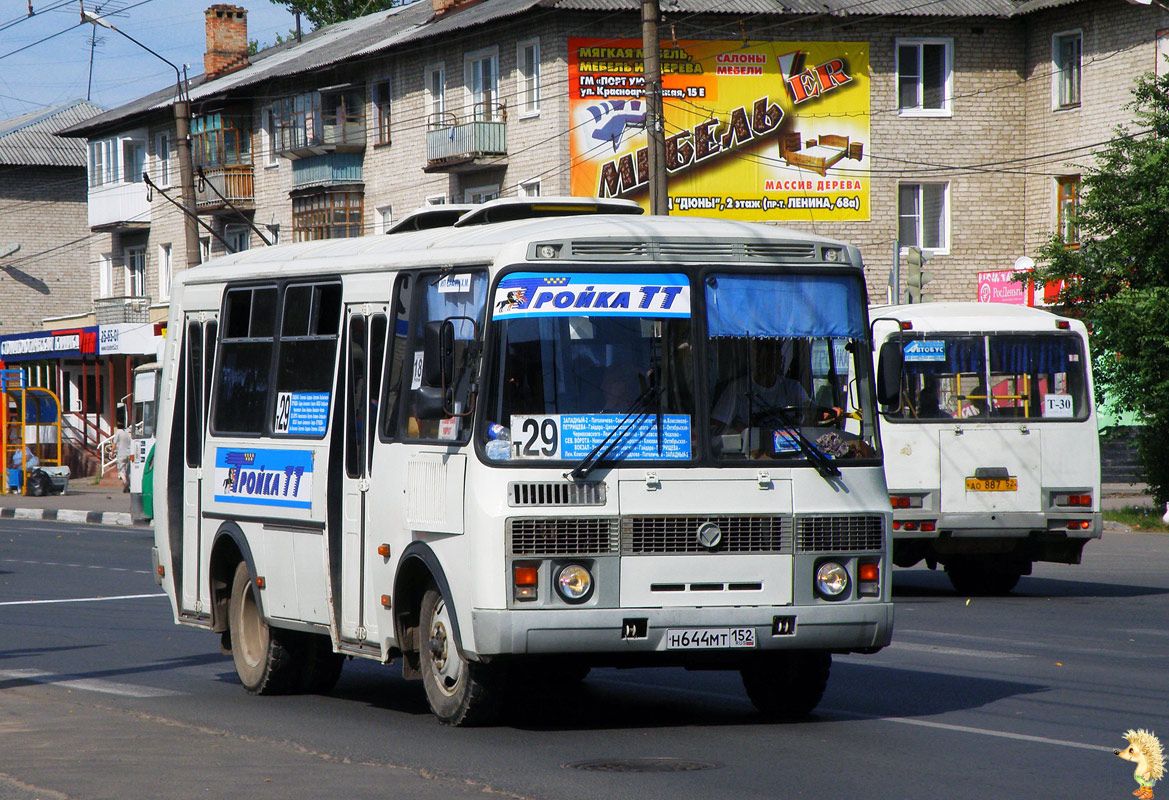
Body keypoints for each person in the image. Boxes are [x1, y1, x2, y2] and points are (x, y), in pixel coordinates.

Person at [112, 421, 132, 493]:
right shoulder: (129, 432)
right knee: (129, 471)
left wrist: (112, 452)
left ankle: (125, 482)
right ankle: (129, 485)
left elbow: (114, 443)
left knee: (121, 471)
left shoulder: (119, 432)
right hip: (130, 454)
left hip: (121, 454)